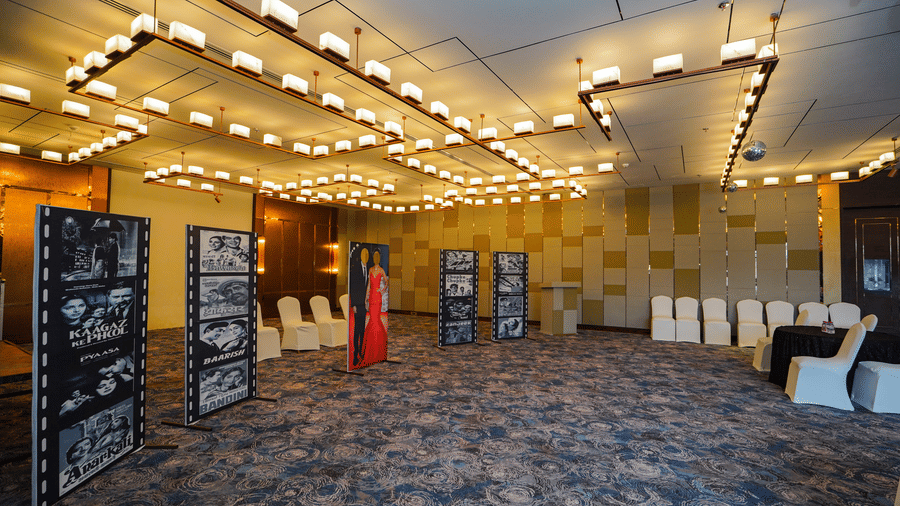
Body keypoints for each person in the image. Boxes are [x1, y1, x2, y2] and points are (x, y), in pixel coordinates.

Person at [362, 248, 388, 365]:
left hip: (378, 296)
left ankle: (377, 343)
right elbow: (368, 284)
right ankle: (371, 342)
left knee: (376, 319)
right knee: (372, 318)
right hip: (372, 295)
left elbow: (386, 282)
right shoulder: (371, 269)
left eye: (377, 257)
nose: (375, 259)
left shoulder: (381, 270)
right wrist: (366, 296)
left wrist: (381, 291)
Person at [350, 247, 369, 366]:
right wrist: (354, 304)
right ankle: (355, 353)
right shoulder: (355, 269)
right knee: (357, 329)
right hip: (358, 304)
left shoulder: (369, 267)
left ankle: (361, 352)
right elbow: (353, 288)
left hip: (365, 304)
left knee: (363, 329)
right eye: (363, 254)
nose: (365, 256)